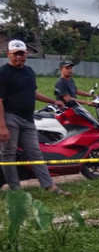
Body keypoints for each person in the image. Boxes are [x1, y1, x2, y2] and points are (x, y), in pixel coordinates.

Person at [0, 40, 70, 195]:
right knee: (8, 154)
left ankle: (48, 185)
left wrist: (53, 101)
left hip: (28, 118)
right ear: (8, 54)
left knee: (35, 152)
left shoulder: (29, 71)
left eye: (22, 54)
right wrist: (2, 125)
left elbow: (33, 93)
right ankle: (15, 189)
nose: (19, 57)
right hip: (10, 117)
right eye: (15, 54)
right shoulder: (3, 72)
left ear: (26, 54)